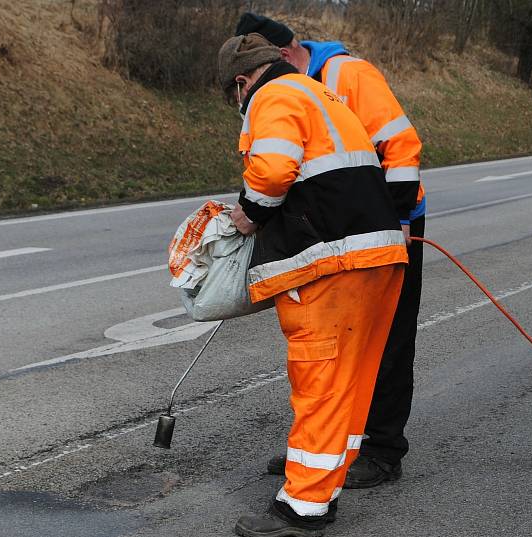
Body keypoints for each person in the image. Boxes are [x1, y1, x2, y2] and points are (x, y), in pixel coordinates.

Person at [217, 33, 407, 536]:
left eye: (234, 97)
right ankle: (324, 484)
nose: (238, 106)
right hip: (376, 257)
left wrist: (247, 216)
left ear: (242, 82)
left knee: (319, 382)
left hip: (331, 261)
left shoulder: (274, 96)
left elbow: (275, 168)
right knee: (349, 383)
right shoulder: (319, 93)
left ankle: (302, 507)